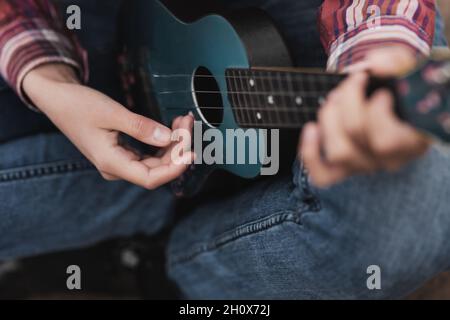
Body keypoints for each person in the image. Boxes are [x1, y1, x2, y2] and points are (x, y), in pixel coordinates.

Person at [0, 0, 449, 299]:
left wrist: (379, 57)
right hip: (90, 36)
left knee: (409, 215)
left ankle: (162, 265)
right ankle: (138, 217)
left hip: (283, 22)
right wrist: (46, 80)